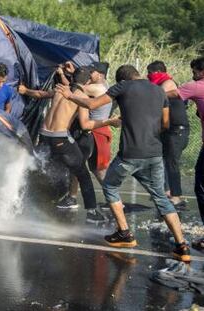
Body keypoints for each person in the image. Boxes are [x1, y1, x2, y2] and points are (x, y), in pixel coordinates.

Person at [56, 65, 190, 262]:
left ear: (122, 80)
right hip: (154, 153)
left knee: (110, 186)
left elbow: (91, 105)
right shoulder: (158, 90)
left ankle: (125, 233)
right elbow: (165, 124)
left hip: (130, 154)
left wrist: (69, 95)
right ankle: (181, 246)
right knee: (161, 197)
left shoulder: (123, 87)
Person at [38, 67, 120, 223]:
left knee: (48, 167)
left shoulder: (61, 90)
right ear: (88, 82)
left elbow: (40, 94)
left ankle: (47, 198)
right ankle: (92, 213)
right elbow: (85, 125)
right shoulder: (81, 97)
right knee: (83, 173)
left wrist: (25, 90)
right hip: (59, 138)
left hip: (44, 135)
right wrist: (110, 121)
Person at [166, 56, 204, 251]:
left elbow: (171, 94)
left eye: (195, 71)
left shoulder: (197, 85)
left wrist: (145, 91)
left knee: (201, 185)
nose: (193, 75)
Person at [68, 62, 113, 209]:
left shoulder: (96, 87)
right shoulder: (104, 86)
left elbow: (76, 88)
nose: (89, 74)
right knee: (85, 166)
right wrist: (75, 72)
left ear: (99, 75)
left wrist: (68, 76)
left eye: (91, 72)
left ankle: (113, 198)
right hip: (97, 131)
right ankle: (72, 197)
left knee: (96, 169)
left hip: (95, 132)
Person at [147, 61, 189, 209]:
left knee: (172, 163)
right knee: (160, 161)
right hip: (167, 130)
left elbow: (156, 98)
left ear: (159, 72)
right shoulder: (158, 85)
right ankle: (166, 192)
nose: (150, 76)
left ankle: (177, 198)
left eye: (152, 73)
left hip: (177, 130)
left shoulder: (168, 83)